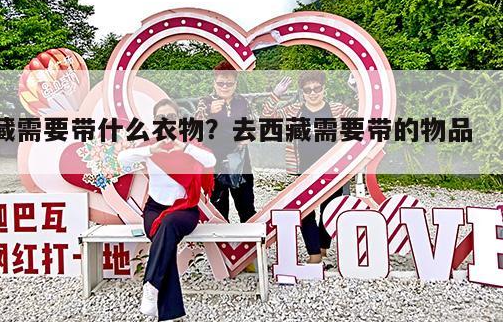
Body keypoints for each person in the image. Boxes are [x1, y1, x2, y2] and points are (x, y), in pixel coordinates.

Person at [118, 98, 216, 321]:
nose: (167, 121)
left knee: (168, 225)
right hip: (154, 209)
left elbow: (210, 159)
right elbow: (122, 159)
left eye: (171, 117)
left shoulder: (188, 144)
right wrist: (150, 150)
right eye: (161, 118)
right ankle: (169, 313)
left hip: (184, 210)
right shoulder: (151, 146)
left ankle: (151, 285)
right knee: (165, 242)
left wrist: (185, 148)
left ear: (179, 120)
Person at [261, 71, 356, 264]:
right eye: (308, 90)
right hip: (303, 170)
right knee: (305, 212)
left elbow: (364, 116)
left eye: (316, 88)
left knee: (330, 210)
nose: (313, 93)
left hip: (332, 171)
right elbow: (267, 117)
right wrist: (276, 95)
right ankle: (314, 254)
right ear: (302, 92)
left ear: (323, 89)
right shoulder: (294, 110)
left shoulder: (336, 109)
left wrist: (357, 91)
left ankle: (323, 248)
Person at [194, 61, 256, 223]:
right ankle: (221, 240)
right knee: (218, 211)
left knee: (247, 208)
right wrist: (209, 112)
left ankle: (248, 239)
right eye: (221, 83)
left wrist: (248, 135)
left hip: (240, 162)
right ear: (214, 83)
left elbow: (253, 125)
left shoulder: (243, 102)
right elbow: (196, 125)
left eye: (229, 83)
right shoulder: (205, 102)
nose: (225, 87)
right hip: (214, 163)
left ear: (236, 84)